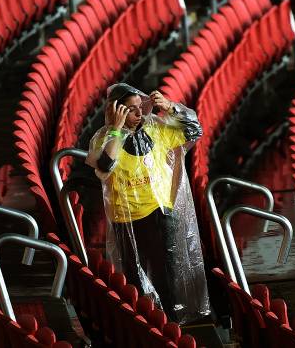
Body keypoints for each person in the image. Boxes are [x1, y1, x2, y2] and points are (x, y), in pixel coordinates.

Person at [85, 82, 209, 323]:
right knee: (139, 280)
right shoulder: (103, 138)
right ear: (117, 111)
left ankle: (172, 325)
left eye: (139, 107)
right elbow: (104, 166)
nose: (139, 113)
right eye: (130, 110)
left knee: (169, 277)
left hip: (161, 212)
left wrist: (170, 107)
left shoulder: (156, 129)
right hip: (129, 219)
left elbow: (195, 130)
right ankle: (152, 325)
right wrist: (117, 129)